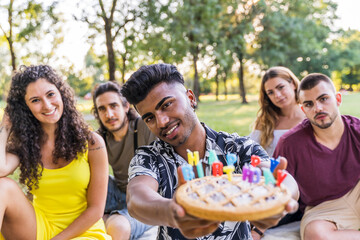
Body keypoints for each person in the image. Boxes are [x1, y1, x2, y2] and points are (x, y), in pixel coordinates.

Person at [120, 63, 299, 240]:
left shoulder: (237, 147)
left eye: (166, 105)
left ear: (190, 98)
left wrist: (281, 195)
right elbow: (137, 198)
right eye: (150, 118)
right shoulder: (149, 157)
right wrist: (175, 212)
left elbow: (274, 175)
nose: (161, 122)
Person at [0, 65, 111, 240]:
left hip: (83, 231)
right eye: (35, 100)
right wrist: (5, 126)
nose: (47, 105)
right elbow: (0, 170)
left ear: (61, 93)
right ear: (26, 107)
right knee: (2, 187)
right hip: (39, 226)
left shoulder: (92, 143)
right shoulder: (26, 145)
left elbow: (96, 210)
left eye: (50, 94)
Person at [273, 73, 360, 240]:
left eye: (324, 99)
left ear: (338, 99)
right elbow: (279, 189)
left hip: (357, 191)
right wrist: (258, 229)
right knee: (316, 234)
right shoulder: (290, 143)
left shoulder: (357, 130)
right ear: (303, 109)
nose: (318, 108)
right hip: (322, 207)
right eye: (309, 104)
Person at [92, 81, 157, 240]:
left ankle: (108, 219)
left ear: (126, 106)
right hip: (119, 193)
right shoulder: (99, 138)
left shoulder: (144, 127)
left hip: (144, 200)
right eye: (102, 109)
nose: (109, 114)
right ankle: (104, 217)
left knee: (118, 227)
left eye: (113, 106)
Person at [249, 66, 305, 157]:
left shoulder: (310, 117)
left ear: (293, 84)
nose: (277, 95)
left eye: (280, 87)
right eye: (271, 92)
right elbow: (250, 153)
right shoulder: (265, 121)